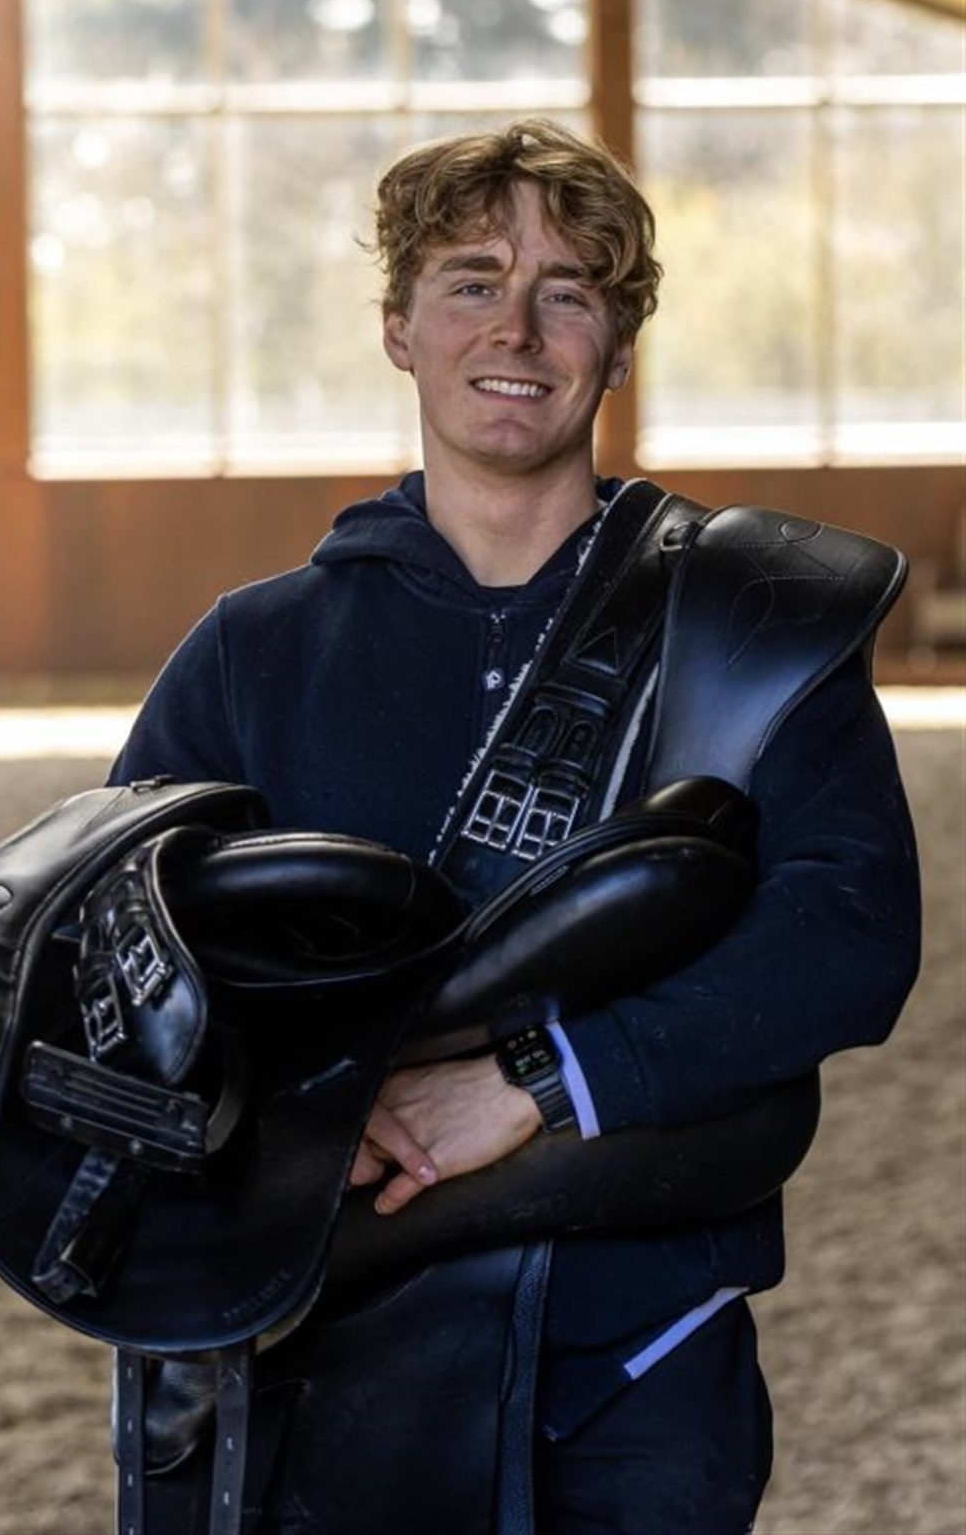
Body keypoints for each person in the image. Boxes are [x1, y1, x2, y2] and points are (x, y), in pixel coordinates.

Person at [108, 118, 920, 1533]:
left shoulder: (748, 624)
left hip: (640, 1347)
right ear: (399, 329)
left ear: (620, 341)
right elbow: (123, 957)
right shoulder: (253, 649)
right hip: (326, 1345)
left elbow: (849, 932)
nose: (518, 329)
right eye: (473, 282)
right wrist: (326, 1107)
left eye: (568, 291)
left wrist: (541, 1080)